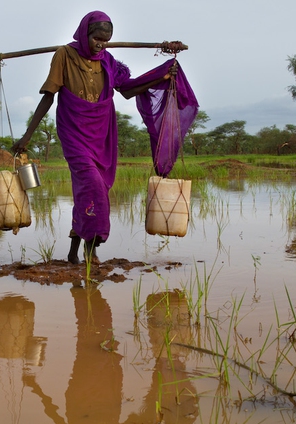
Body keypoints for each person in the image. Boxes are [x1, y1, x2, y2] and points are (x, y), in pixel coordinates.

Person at [12, 11, 178, 265]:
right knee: (93, 184)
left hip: (101, 133)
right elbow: (49, 95)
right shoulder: (65, 55)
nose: (100, 44)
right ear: (84, 33)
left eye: (105, 40)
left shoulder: (108, 61)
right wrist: (27, 136)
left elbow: (127, 90)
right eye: (96, 38)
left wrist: (163, 76)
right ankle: (92, 249)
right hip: (73, 130)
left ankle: (72, 252)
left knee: (88, 189)